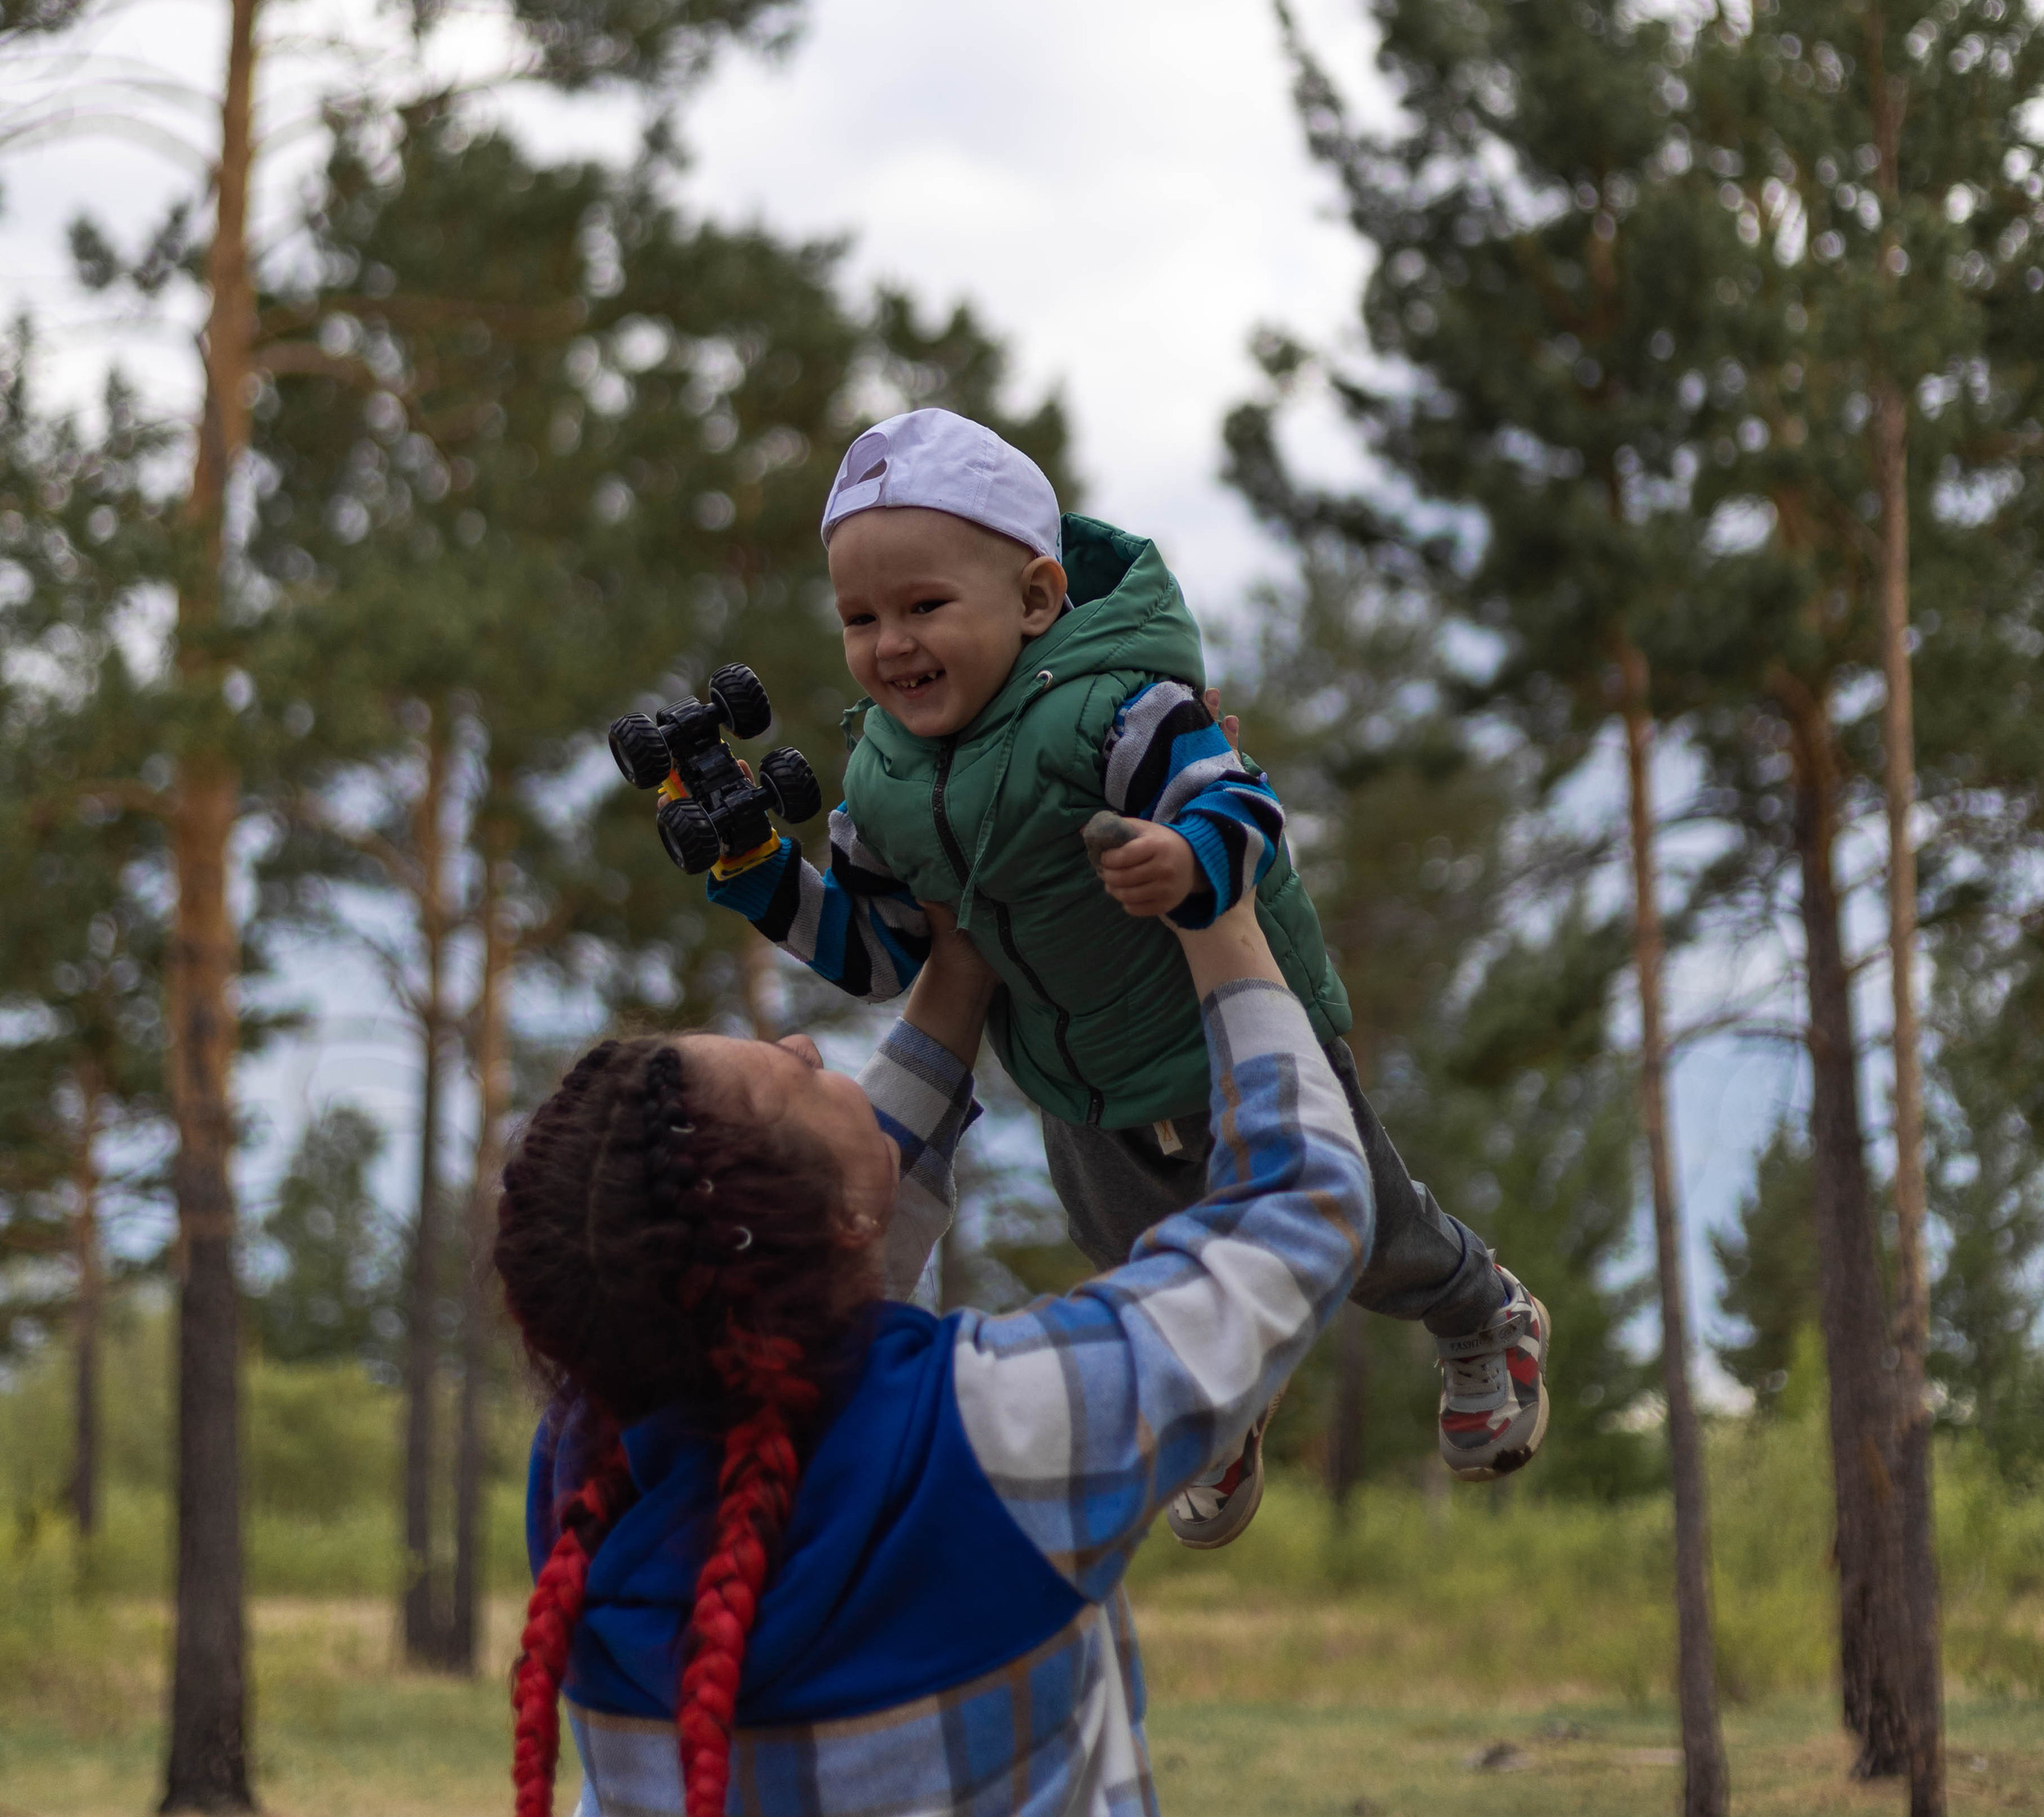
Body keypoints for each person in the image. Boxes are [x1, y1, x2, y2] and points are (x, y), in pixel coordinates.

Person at [490, 890, 1370, 1817]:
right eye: (794, 1078)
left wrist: (957, 975)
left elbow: (810, 1257)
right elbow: (1300, 1217)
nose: (808, 1047)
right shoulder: (1004, 1439)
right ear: (830, 1223)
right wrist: (1219, 918)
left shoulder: (587, 1471)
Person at [646, 406, 1548, 1543]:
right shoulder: (877, 782)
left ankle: (1481, 1312)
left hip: (1234, 1040)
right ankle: (1219, 1411)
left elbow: (1243, 800)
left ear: (1034, 597)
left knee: (1363, 1234)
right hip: (1079, 1088)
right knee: (1139, 1268)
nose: (890, 644)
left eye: (925, 606)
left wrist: (1187, 857)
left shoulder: (1117, 708)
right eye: (860, 618)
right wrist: (760, 872)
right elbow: (884, 955)